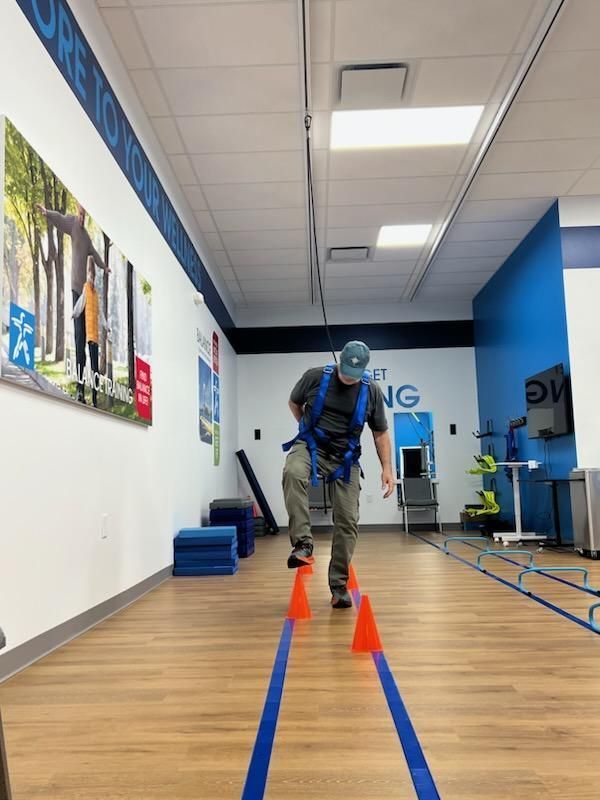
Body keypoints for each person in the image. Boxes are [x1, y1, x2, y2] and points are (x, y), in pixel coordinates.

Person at [282, 341, 395, 608]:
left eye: (354, 375)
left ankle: (339, 585)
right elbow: (294, 403)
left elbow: (380, 433)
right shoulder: (314, 377)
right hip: (311, 445)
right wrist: (306, 428)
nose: (348, 378)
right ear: (339, 361)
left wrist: (387, 468)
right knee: (293, 471)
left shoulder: (372, 391)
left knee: (348, 519)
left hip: (346, 457)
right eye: (345, 371)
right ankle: (303, 544)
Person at [35, 202, 109, 402]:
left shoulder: (87, 237)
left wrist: (104, 267)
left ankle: (93, 393)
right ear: (78, 213)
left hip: (86, 292)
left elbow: (95, 254)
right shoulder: (72, 224)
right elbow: (59, 219)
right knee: (79, 340)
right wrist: (47, 213)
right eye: (81, 215)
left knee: (89, 341)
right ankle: (80, 389)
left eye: (85, 216)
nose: (82, 219)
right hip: (77, 291)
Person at [72, 258, 109, 407]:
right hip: (88, 333)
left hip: (95, 336)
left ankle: (94, 397)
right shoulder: (86, 289)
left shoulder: (96, 294)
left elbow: (100, 313)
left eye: (93, 276)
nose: (91, 278)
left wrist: (106, 326)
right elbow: (81, 303)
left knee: (95, 368)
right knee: (87, 361)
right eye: (89, 275)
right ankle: (84, 391)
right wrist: (74, 313)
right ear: (87, 275)